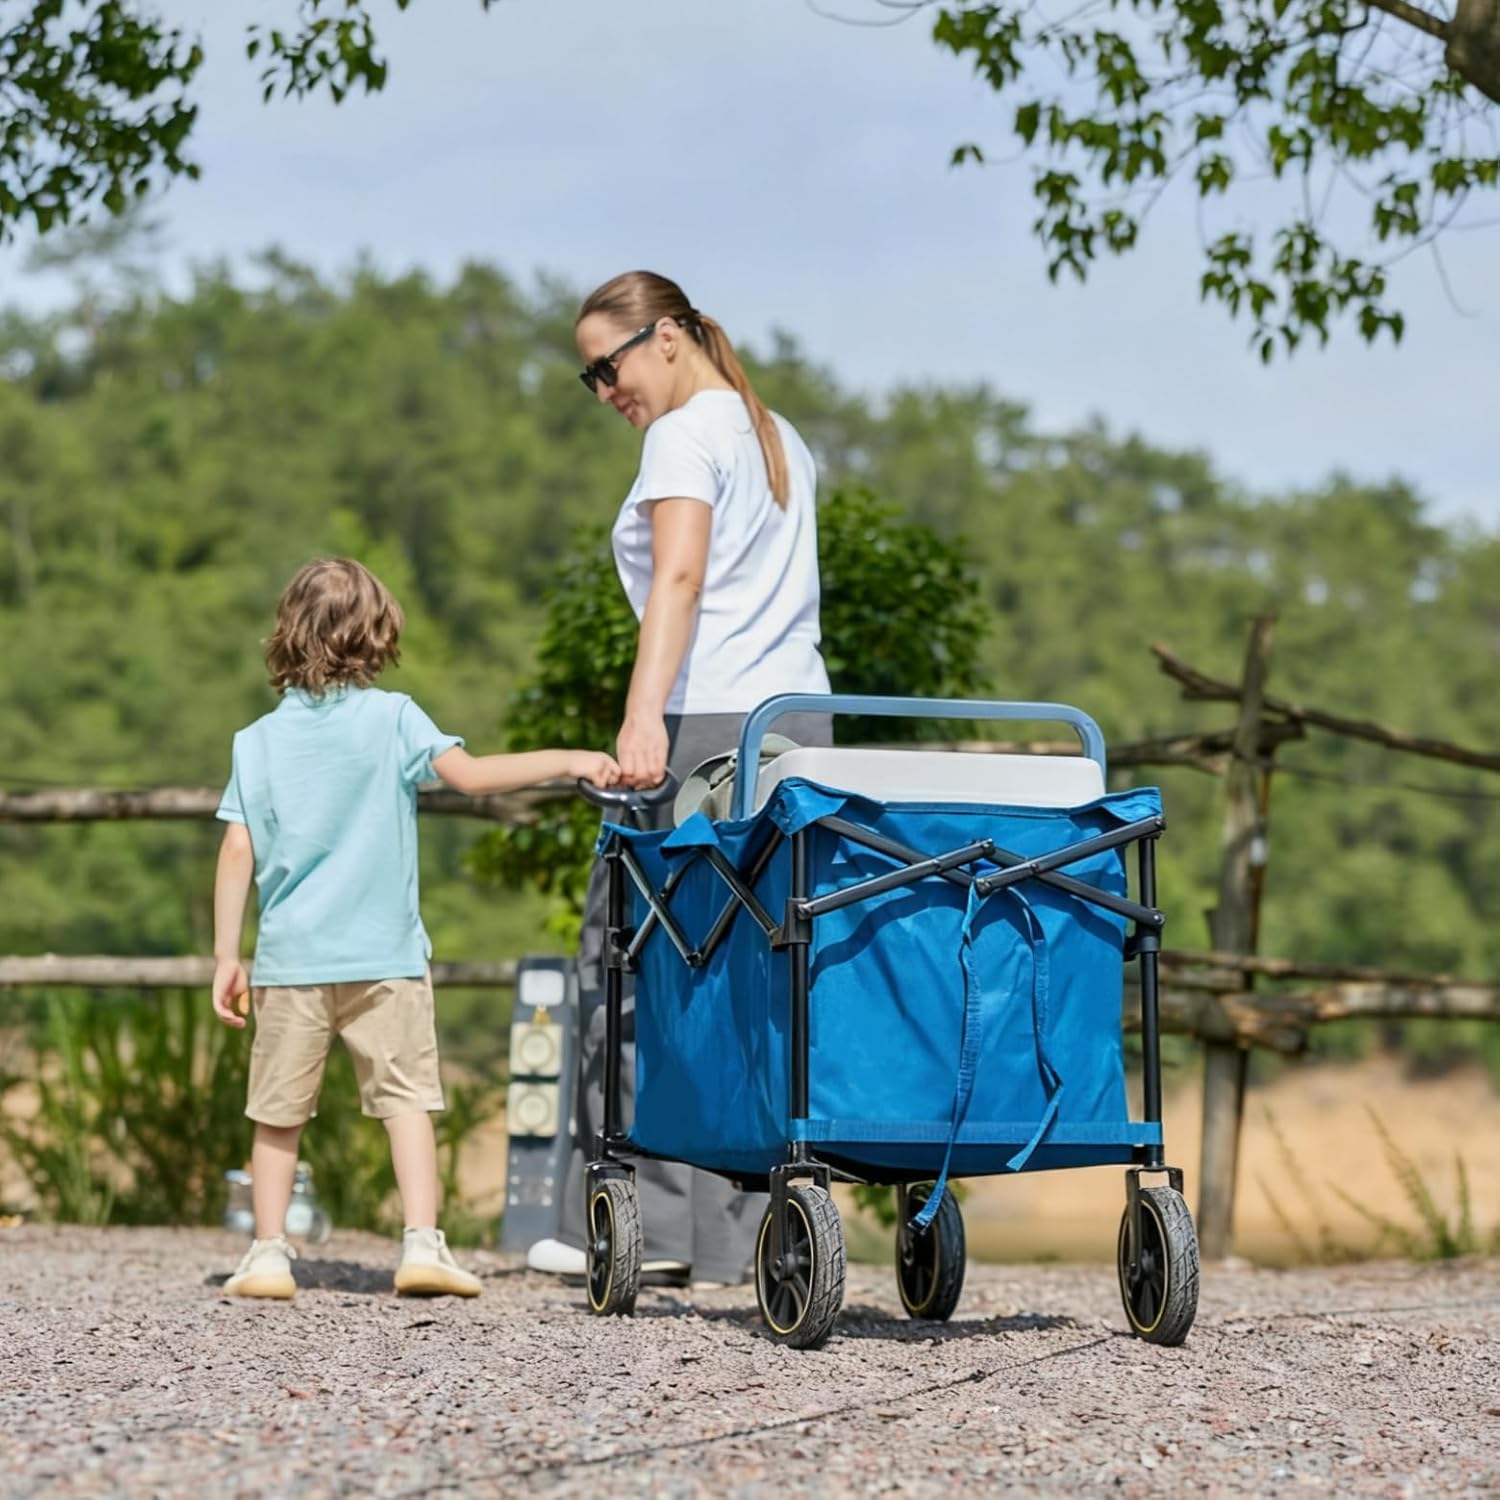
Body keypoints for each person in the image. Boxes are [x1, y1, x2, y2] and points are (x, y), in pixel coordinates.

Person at [525, 271, 832, 1288]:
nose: (603, 389)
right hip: (797, 726)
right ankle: (741, 1229)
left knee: (632, 959)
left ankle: (642, 1220)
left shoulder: (685, 434)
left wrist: (641, 710)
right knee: (758, 969)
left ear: (664, 338)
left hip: (706, 722)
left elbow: (681, 577)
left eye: (605, 367)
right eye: (588, 377)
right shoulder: (776, 431)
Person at [211, 557, 619, 1300]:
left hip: (289, 958)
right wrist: (572, 759)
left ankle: (268, 1252)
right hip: (384, 956)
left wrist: (224, 957)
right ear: (374, 633)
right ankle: (422, 1245)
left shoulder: (254, 741)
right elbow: (471, 776)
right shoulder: (394, 717)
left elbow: (237, 846)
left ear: (288, 633)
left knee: (276, 1115)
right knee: (405, 1102)